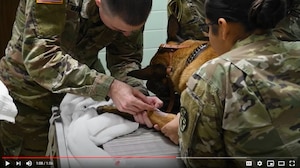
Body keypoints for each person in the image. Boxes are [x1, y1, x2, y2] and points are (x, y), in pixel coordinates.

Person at [0, 0, 163, 157]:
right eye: (118, 30)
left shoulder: (130, 6)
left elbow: (125, 59)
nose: (127, 34)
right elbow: (42, 58)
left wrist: (136, 96)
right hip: (27, 91)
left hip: (81, 88)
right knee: (31, 158)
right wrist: (110, 87)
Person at [156, 0, 300, 145]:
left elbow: (203, 160)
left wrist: (182, 134)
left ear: (223, 27)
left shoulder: (210, 77)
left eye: (207, 27)